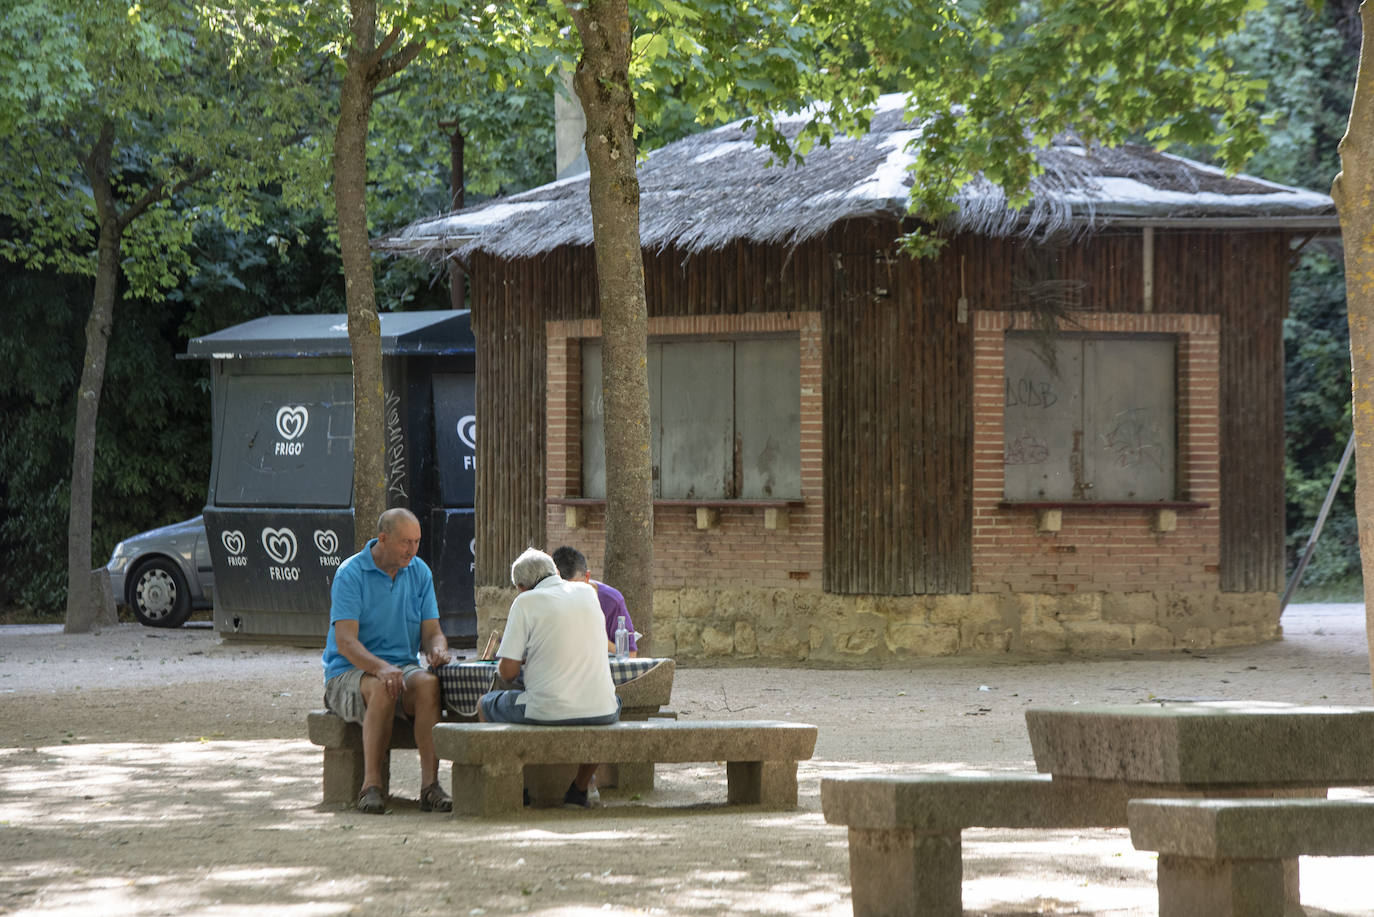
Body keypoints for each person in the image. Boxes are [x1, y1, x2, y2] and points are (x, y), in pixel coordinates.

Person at [321, 507, 452, 815]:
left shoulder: (420, 572)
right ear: (383, 538)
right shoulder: (350, 573)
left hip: (401, 667)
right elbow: (346, 642)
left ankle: (430, 787)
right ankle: (371, 786)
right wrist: (380, 667)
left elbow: (432, 631)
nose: (413, 549)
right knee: (382, 686)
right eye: (406, 542)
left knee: (428, 684)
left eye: (417, 542)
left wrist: (437, 650)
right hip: (349, 671)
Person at [478, 547, 620, 807]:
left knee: (485, 705)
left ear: (521, 587)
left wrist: (518, 658)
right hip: (604, 711)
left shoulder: (525, 602)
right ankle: (579, 789)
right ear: (555, 571)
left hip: (547, 710)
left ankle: (513, 787)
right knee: (609, 701)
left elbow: (507, 673)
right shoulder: (588, 593)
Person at [550, 545, 637, 657]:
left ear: (587, 577)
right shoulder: (547, 599)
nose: (570, 595)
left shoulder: (611, 600)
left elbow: (630, 655)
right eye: (562, 589)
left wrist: (597, 637)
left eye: (576, 588)